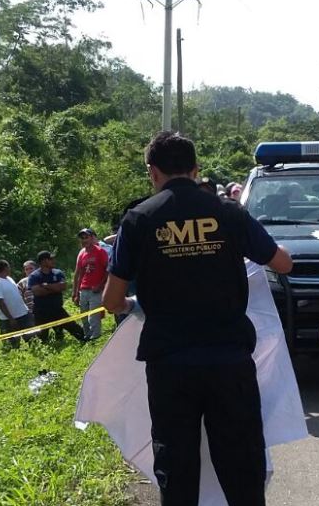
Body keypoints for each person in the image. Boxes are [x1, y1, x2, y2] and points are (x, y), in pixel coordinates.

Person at [102, 131, 293, 506]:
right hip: (229, 361)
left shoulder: (139, 219)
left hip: (170, 365)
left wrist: (133, 304)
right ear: (195, 168)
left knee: (177, 467)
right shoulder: (229, 213)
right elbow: (282, 263)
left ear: (152, 171)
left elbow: (110, 300)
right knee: (242, 466)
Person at [28, 250, 86, 342]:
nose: (53, 261)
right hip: (41, 312)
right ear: (44, 261)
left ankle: (86, 341)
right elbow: (37, 292)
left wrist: (46, 286)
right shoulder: (34, 276)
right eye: (51, 259)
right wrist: (55, 288)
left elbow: (63, 286)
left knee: (75, 328)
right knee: (41, 338)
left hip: (57, 309)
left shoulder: (58, 273)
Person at [73, 228, 109, 340]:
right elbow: (79, 274)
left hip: (96, 290)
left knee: (93, 317)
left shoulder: (100, 251)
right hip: (84, 289)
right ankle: (87, 337)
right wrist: (76, 293)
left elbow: (108, 270)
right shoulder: (82, 253)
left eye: (86, 237)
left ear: (92, 238)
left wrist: (100, 285)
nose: (84, 240)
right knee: (83, 316)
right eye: (82, 238)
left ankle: (95, 337)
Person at [0, 259, 36, 347]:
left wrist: (26, 310)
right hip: (8, 319)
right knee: (11, 344)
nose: (10, 269)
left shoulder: (9, 279)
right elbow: (0, 302)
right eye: (9, 267)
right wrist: (11, 319)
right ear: (5, 268)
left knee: (32, 339)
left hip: (23, 315)